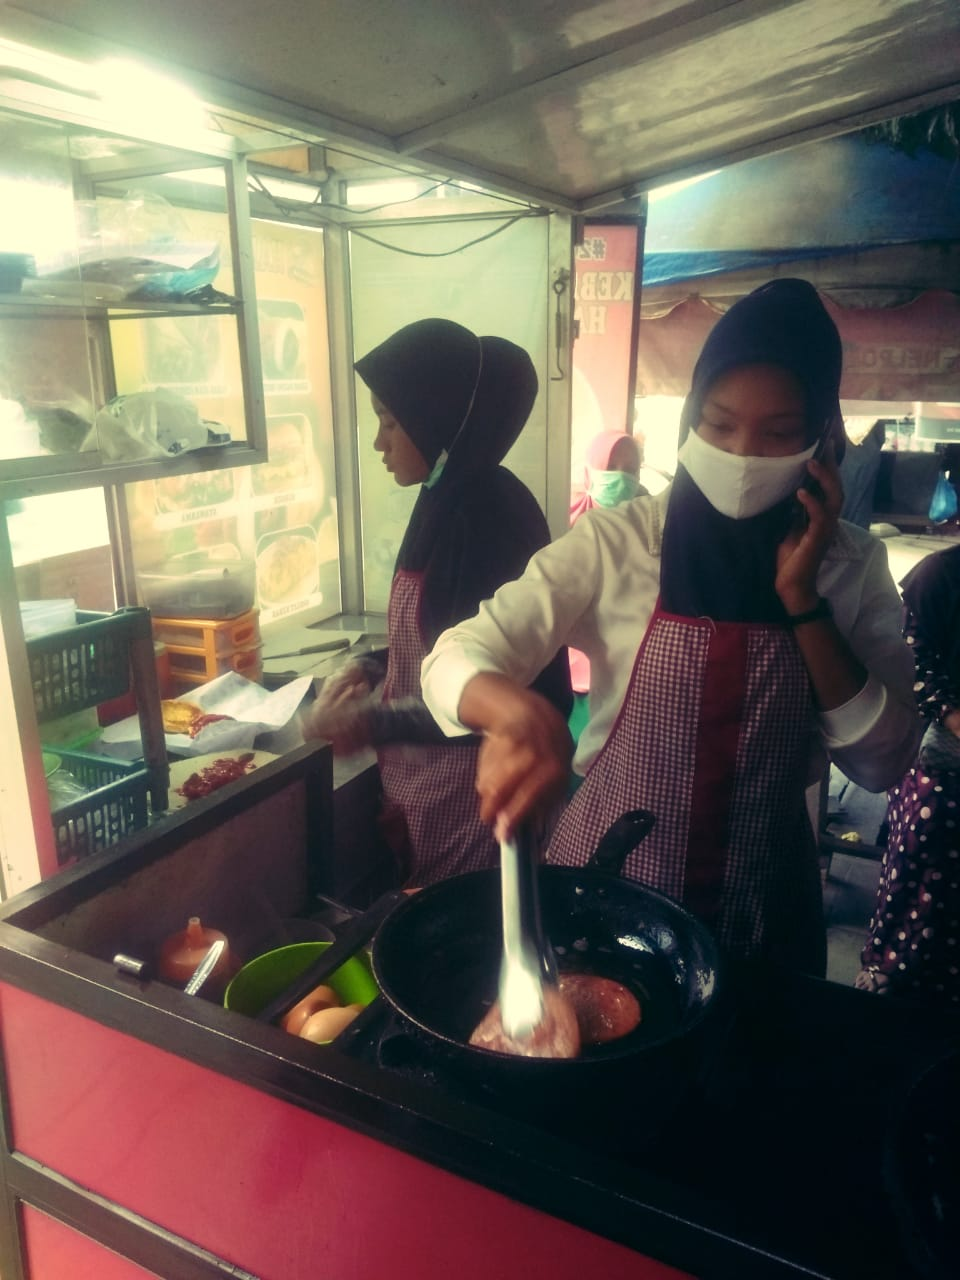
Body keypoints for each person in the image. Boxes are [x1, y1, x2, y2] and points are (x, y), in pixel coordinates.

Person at [421, 279, 921, 974]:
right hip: (606, 891)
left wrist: (802, 601)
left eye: (778, 433)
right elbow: (451, 658)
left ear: (821, 440)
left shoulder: (852, 565)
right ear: (689, 420)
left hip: (764, 909)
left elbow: (883, 762)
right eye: (718, 425)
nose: (744, 455)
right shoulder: (619, 542)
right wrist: (509, 712)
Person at [303, 318, 572, 887]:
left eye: (389, 420)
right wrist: (368, 664)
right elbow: (429, 639)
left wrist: (367, 720)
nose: (379, 442)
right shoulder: (441, 498)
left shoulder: (489, 518)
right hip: (426, 791)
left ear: (433, 418)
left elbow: (483, 691)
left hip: (473, 795)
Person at [857, 543, 960, 1006]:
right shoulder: (940, 575)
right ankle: (888, 965)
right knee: (929, 827)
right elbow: (913, 660)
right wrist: (954, 716)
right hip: (944, 744)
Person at [569, 430, 647, 522]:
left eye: (629, 469)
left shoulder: (647, 522)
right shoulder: (564, 520)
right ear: (588, 475)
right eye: (610, 467)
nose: (621, 479)